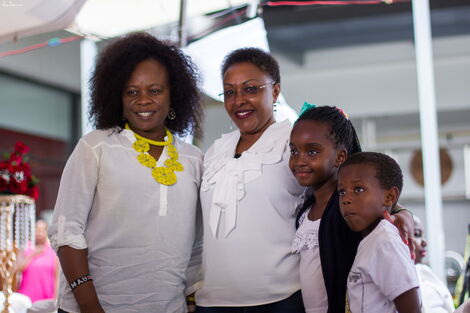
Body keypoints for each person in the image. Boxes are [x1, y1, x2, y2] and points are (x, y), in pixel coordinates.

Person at [48, 32, 204, 313]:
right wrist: (91, 307)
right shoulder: (95, 146)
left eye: (155, 90)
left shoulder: (194, 159)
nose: (143, 100)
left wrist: (191, 301)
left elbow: (197, 245)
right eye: (132, 91)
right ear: (117, 96)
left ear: (174, 95)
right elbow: (66, 232)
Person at [196, 48, 306, 312]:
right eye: (230, 92)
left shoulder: (295, 141)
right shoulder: (215, 150)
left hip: (280, 299)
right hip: (212, 302)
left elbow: (344, 185)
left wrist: (399, 212)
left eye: (251, 89)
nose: (239, 100)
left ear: (276, 91)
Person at [289, 105, 415, 313]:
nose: (299, 160)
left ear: (340, 157)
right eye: (294, 151)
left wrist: (403, 213)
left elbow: (381, 203)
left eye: (312, 151)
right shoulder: (306, 208)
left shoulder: (348, 209)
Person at [337, 152, 420, 312]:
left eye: (358, 189)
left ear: (389, 197)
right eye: (342, 192)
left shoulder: (385, 242)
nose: (346, 199)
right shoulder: (371, 240)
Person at [413, 216, 454, 313]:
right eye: (417, 234)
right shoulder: (400, 280)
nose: (424, 242)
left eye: (423, 235)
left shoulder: (425, 272)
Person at [16, 220, 58, 303]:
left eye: (42, 230)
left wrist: (55, 298)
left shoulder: (53, 251)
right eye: (37, 230)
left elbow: (56, 277)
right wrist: (33, 254)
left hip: (47, 299)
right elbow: (18, 268)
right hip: (26, 299)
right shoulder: (25, 248)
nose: (39, 233)